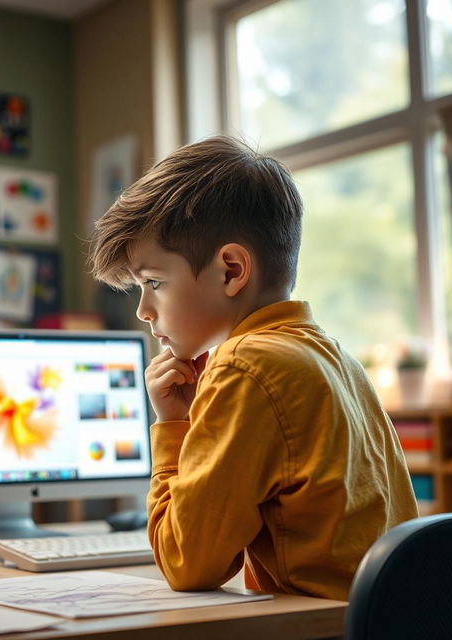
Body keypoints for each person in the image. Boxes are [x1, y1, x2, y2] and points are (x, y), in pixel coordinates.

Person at [88, 136, 418, 601]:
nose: (144, 310)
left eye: (154, 283)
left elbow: (188, 563)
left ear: (231, 270)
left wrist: (173, 424)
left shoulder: (244, 366)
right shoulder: (333, 356)